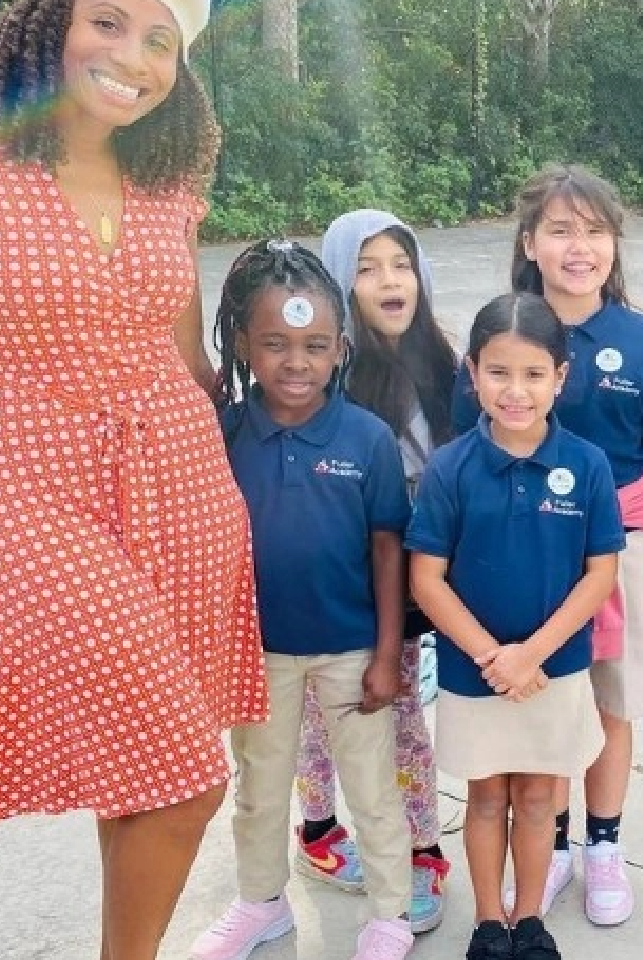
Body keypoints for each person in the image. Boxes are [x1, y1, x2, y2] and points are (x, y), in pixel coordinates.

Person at [0, 0, 268, 957]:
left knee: (142, 772)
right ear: (44, 29)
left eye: (161, 41)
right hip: (32, 490)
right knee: (187, 774)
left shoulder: (169, 184)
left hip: (182, 490)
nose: (134, 57)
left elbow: (187, 356)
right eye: (108, 22)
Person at [454, 164, 643, 925]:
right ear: (531, 242)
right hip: (527, 555)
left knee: (611, 707)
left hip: (616, 553)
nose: (578, 246)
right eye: (560, 229)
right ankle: (549, 845)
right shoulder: (505, 333)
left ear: (615, 243)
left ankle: (604, 847)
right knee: (545, 706)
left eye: (594, 230)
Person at [189, 240, 414, 960]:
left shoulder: (367, 439)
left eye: (315, 345)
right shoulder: (223, 435)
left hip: (352, 649)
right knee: (258, 786)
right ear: (243, 343)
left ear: (341, 348)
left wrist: (387, 654)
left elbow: (388, 550)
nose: (296, 363)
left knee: (374, 790)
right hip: (258, 655)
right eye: (276, 344)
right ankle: (261, 903)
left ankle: (390, 915)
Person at [410, 291, 625, 960]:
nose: (516, 390)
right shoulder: (451, 468)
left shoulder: (586, 466)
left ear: (560, 378)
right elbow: (426, 579)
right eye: (499, 372)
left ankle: (529, 919)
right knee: (484, 800)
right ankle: (488, 921)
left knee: (538, 800)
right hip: (476, 676)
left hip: (552, 672)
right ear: (473, 374)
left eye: (534, 374)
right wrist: (491, 656)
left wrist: (531, 654)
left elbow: (599, 575)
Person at [291, 210, 455, 934]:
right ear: (337, 281)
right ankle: (320, 832)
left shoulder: (444, 363)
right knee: (316, 719)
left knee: (401, 720)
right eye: (367, 266)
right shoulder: (330, 370)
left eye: (400, 262)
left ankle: (421, 849)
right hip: (340, 579)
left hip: (413, 582)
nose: (390, 280)